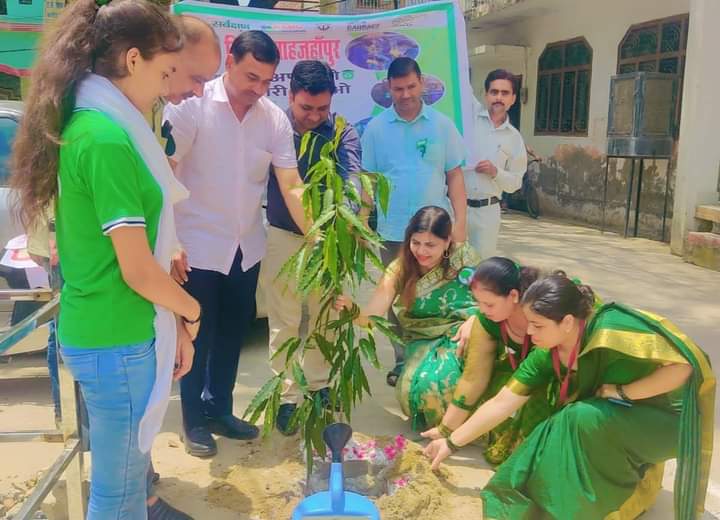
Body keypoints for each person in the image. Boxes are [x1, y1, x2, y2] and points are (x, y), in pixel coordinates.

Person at [9, 1, 203, 518]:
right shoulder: (108, 138)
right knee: (118, 497)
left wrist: (176, 320)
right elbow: (137, 269)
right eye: (164, 72)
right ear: (133, 59)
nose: (166, 87)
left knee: (123, 489)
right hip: (115, 338)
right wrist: (190, 311)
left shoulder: (93, 126)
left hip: (109, 329)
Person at [424, 272, 715, 520]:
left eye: (538, 326)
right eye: (530, 324)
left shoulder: (610, 330)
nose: (530, 333)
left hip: (671, 421)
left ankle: (600, 501)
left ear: (566, 322)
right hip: (621, 416)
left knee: (579, 417)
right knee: (556, 427)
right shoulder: (547, 352)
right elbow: (503, 402)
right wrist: (450, 442)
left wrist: (623, 392)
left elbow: (685, 366)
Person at [165, 30, 309, 457]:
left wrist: (316, 236)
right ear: (229, 61)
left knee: (230, 336)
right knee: (196, 337)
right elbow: (164, 172)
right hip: (196, 248)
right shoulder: (192, 107)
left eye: (266, 82)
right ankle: (193, 420)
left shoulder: (273, 120)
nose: (258, 89)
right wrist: (169, 239)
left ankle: (220, 410)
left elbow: (291, 184)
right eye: (251, 77)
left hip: (246, 248)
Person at [262, 60, 363, 436]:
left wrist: (347, 222)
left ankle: (318, 386)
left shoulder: (341, 132)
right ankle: (287, 397)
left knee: (325, 317)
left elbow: (352, 181)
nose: (314, 116)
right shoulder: (275, 126)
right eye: (306, 108)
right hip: (284, 236)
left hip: (329, 241)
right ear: (289, 97)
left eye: (322, 108)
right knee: (285, 318)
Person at [361, 57, 468, 387]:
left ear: (421, 83)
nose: (405, 94)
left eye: (410, 86)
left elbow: (455, 176)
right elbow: (368, 180)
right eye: (397, 88)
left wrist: (460, 224)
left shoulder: (442, 125)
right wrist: (364, 222)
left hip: (436, 233)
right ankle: (402, 361)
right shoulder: (376, 129)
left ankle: (437, 360)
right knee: (396, 299)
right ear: (387, 89)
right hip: (394, 233)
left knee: (439, 298)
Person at [335, 206, 478, 431]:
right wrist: (351, 309)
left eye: (430, 245)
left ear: (448, 241)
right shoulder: (400, 269)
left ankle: (466, 423)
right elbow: (370, 319)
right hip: (421, 341)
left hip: (464, 335)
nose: (421, 251)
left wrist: (475, 321)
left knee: (447, 377)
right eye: (415, 243)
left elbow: (494, 299)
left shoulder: (464, 260)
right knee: (415, 392)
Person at [420, 257, 554, 465]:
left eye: (489, 304)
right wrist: (444, 430)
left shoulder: (545, 317)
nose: (481, 311)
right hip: (521, 372)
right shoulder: (486, 320)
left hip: (557, 375)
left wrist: (452, 442)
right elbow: (474, 379)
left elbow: (508, 398)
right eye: (478, 303)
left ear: (513, 296)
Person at [465, 70, 527, 259]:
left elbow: (515, 183)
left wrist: (495, 172)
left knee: (481, 270)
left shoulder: (514, 138)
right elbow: (460, 86)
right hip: (457, 207)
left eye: (505, 93)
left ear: (513, 99)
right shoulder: (469, 119)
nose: (498, 97)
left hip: (488, 212)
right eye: (494, 92)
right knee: (448, 265)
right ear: (486, 95)